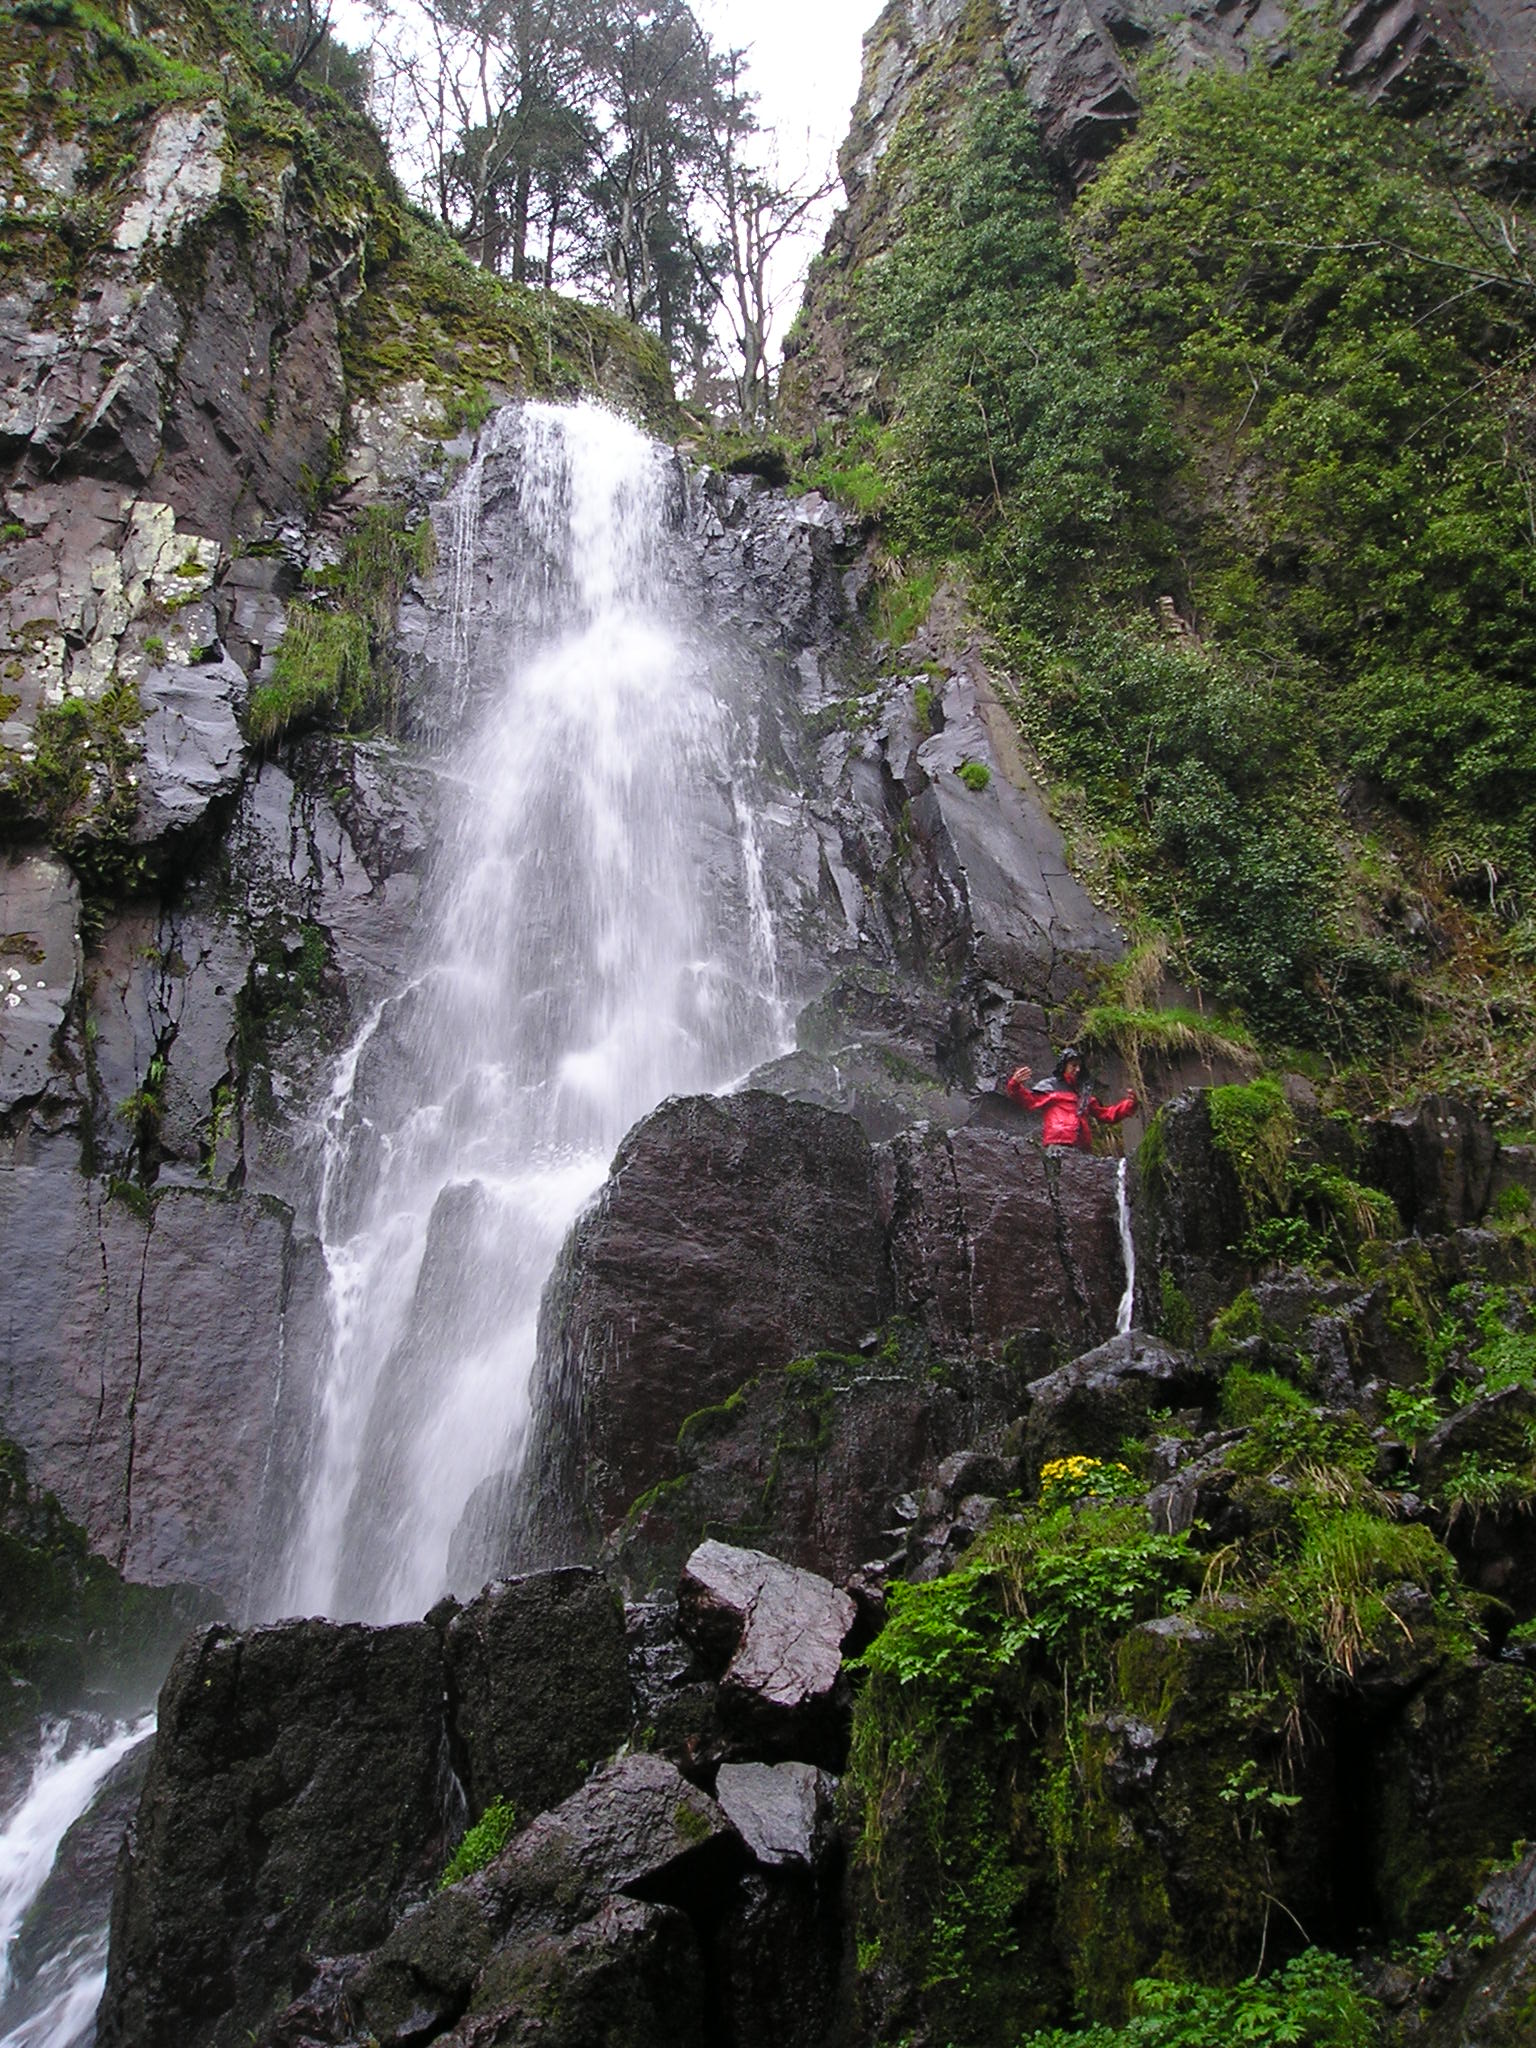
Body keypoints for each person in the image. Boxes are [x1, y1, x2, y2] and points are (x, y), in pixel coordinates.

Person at [1005, 1045, 1136, 1152]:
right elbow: (1028, 1100)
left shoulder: (1083, 1094)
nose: (1077, 1069)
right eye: (1073, 1065)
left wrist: (1129, 1104)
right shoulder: (1050, 1087)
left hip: (1081, 1144)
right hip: (1057, 1140)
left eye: (1079, 1066)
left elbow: (1106, 1114)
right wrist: (1015, 1084)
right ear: (1064, 1066)